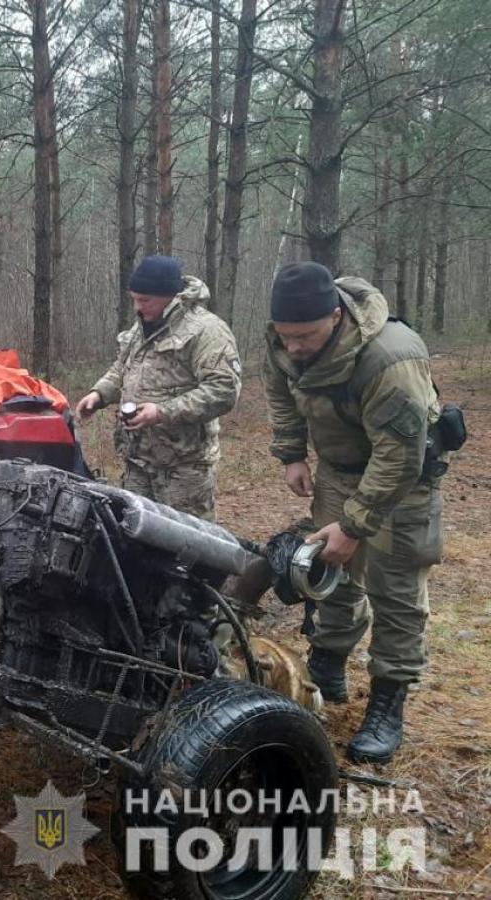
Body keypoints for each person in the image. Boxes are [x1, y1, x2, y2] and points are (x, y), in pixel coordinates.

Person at [265, 261, 444, 764]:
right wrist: (292, 452)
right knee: (331, 577)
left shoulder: (390, 359)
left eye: (305, 336)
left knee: (397, 594)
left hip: (402, 484)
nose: (294, 346)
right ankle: (327, 667)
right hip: (339, 472)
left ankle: (388, 702)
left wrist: (353, 525)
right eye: (286, 336)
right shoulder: (284, 339)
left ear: (338, 315)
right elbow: (280, 389)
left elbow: (400, 457)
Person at [75, 255, 241, 520]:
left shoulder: (206, 331)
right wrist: (100, 393)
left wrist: (162, 412)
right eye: (134, 299)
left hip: (183, 467)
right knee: (136, 539)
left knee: (186, 546)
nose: (137, 307)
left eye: (145, 300)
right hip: (137, 462)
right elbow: (123, 368)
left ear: (171, 296)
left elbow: (224, 390)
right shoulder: (142, 327)